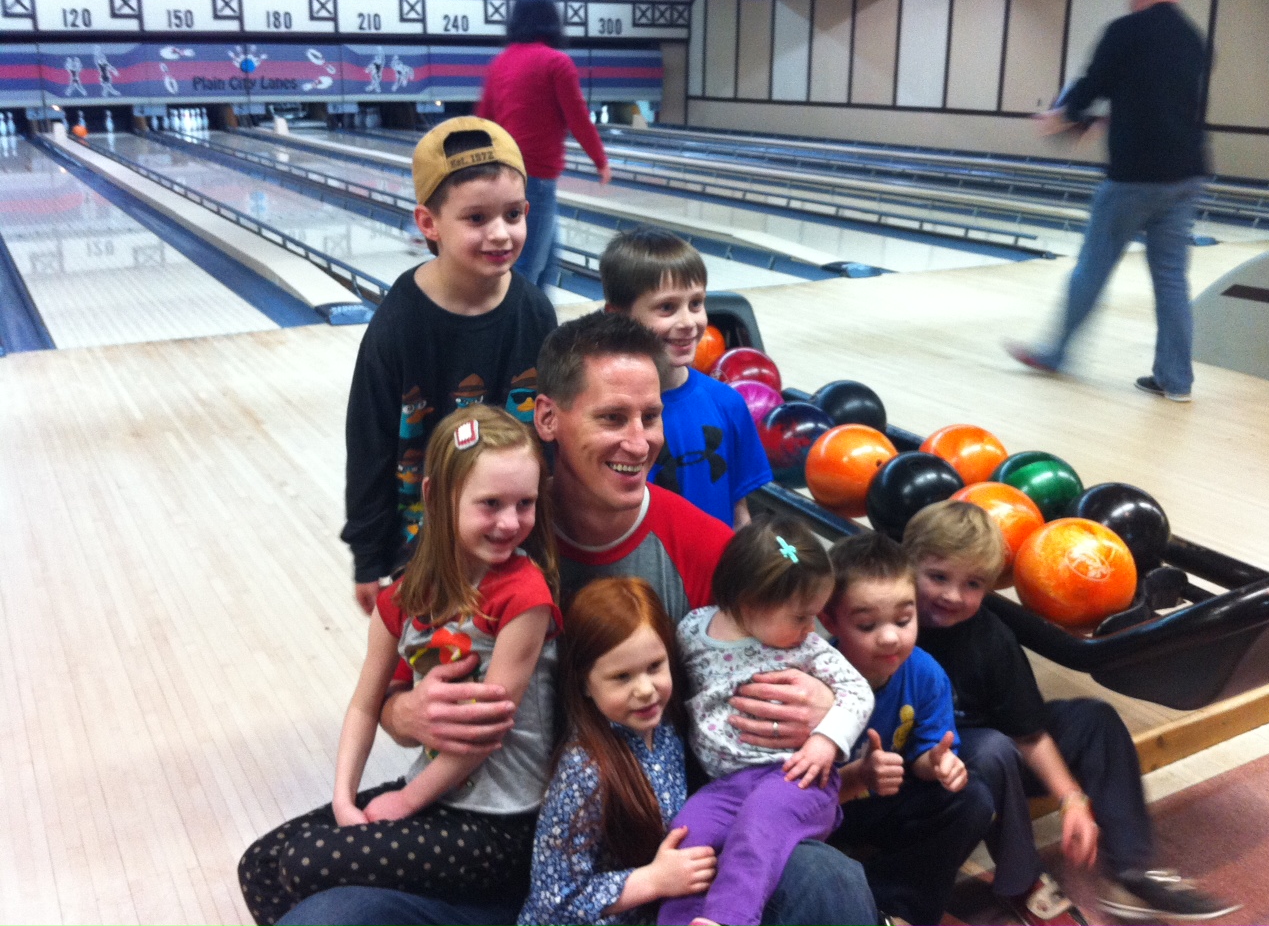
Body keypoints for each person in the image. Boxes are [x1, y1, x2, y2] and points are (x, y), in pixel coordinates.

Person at [275, 311, 878, 926]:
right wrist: (405, 713)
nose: (639, 443)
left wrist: (824, 706)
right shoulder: (488, 535)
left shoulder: (707, 549)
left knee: (828, 882)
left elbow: (814, 650)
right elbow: (390, 693)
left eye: (650, 417)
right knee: (318, 915)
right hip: (492, 822)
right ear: (547, 418)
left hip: (657, 842)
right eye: (612, 418)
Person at [239, 406, 562, 925]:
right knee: (260, 864)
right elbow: (365, 706)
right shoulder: (405, 598)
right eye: (490, 504)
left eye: (525, 503)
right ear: (435, 496)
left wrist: (406, 802)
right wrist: (343, 800)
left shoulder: (525, 597)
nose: (510, 521)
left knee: (304, 863)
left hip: (505, 826)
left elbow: (485, 733)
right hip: (440, 802)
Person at [904, 501, 1239, 924]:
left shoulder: (990, 636)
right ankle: (1024, 881)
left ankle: (1131, 873)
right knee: (991, 748)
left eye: (972, 584)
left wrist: (1071, 800)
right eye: (938, 577)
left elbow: (1028, 732)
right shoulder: (889, 626)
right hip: (925, 767)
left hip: (995, 755)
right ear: (908, 566)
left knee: (1094, 720)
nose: (953, 596)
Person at [341, 116, 557, 615]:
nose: (500, 234)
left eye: (512, 214)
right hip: (423, 550)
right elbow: (369, 443)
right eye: (476, 218)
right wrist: (368, 556)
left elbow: (552, 435)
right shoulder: (398, 325)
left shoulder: (534, 312)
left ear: (528, 211)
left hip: (516, 538)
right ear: (428, 223)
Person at [1006, 0, 1208, 403]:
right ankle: (1177, 381)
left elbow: (1093, 84)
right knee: (1172, 280)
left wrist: (1063, 116)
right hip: (1186, 173)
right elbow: (1164, 100)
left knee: (1092, 269)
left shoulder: (1125, 31)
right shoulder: (1194, 38)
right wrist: (1110, 118)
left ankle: (1055, 354)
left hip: (1134, 177)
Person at [659, 516, 873, 926]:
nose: (811, 628)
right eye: (800, 617)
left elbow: (857, 691)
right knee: (687, 832)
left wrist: (826, 740)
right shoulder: (692, 630)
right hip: (726, 785)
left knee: (759, 823)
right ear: (750, 602)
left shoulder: (806, 649)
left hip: (796, 778)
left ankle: (729, 918)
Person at [519, 576, 716, 925]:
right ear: (585, 684)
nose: (645, 689)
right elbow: (553, 900)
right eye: (622, 677)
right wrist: (653, 880)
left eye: (654, 667)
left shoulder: (667, 726)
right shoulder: (584, 770)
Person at [822, 531, 995, 926]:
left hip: (885, 803)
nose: (890, 637)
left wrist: (936, 763)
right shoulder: (813, 681)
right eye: (867, 625)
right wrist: (857, 776)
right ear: (830, 620)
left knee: (973, 799)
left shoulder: (925, 673)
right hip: (824, 808)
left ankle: (895, 909)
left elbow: (924, 753)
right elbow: (788, 788)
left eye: (904, 620)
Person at [601, 228, 772, 527]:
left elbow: (739, 511)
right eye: (667, 307)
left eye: (696, 304)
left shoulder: (728, 404)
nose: (688, 322)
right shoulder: (603, 411)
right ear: (617, 317)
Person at [477, 0, 612, 288]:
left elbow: (484, 119)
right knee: (528, 266)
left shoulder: (500, 62)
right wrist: (601, 161)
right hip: (536, 178)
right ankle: (516, 319)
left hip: (505, 173)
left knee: (549, 264)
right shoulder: (557, 62)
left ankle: (541, 318)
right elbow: (578, 118)